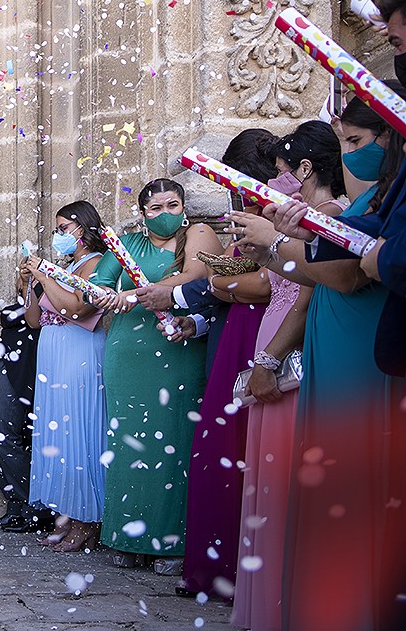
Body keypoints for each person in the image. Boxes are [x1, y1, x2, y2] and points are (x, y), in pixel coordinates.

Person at [233, 88, 406, 631]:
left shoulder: (375, 204)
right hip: (333, 348)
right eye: (343, 142)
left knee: (357, 486)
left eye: (356, 140)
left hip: (360, 351)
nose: (350, 153)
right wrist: (278, 246)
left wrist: (278, 245)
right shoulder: (365, 202)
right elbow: (319, 270)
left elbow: (346, 275)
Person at [224, 121, 343, 631]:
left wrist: (268, 361)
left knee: (288, 481)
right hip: (272, 339)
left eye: (278, 171)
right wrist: (261, 249)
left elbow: (307, 293)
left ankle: (286, 604)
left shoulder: (328, 219)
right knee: (268, 486)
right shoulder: (294, 219)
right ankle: (268, 601)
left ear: (305, 169)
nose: (272, 183)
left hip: (292, 350)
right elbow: (276, 279)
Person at [157, 128, 280, 599]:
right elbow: (232, 280)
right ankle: (217, 565)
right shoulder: (245, 220)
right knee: (219, 447)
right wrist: (199, 319)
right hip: (230, 333)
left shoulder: (275, 217)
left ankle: (239, 568)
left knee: (244, 447)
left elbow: (263, 283)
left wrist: (213, 285)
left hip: (259, 334)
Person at [89, 178, 223, 573]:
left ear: (183, 207)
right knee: (129, 442)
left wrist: (131, 295)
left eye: (172, 205)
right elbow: (98, 284)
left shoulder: (197, 235)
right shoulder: (126, 243)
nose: (165, 214)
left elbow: (193, 279)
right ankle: (127, 536)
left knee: (176, 440)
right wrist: (101, 294)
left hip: (178, 348)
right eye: (156, 208)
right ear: (143, 213)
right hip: (127, 353)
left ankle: (172, 540)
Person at [20, 200, 108, 552]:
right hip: (53, 356)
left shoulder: (96, 263)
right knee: (57, 430)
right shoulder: (67, 266)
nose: (59, 235)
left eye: (64, 229)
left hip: (79, 352)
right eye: (57, 229)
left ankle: (89, 520)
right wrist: (27, 283)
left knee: (78, 431)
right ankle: (69, 514)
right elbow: (33, 320)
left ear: (84, 228)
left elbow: (77, 310)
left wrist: (43, 274)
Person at [0, 298, 42, 533]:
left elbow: (34, 318)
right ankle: (15, 504)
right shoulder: (21, 298)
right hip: (3, 366)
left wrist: (1, 316)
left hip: (20, 371)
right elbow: (8, 341)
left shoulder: (41, 290)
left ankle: (35, 506)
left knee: (6, 439)